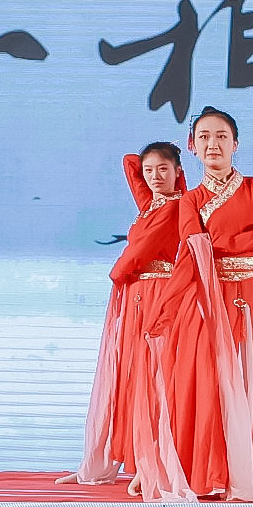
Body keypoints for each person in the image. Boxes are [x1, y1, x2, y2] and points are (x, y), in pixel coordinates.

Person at [134, 107, 253, 503]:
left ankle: (248, 472)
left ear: (236, 143)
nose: (212, 144)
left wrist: (230, 244)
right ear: (192, 147)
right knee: (209, 384)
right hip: (208, 300)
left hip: (252, 298)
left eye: (221, 136)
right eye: (203, 137)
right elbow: (192, 252)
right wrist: (166, 310)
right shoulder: (190, 201)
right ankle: (210, 474)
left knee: (251, 378)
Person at [78, 142, 186, 488]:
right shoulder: (151, 205)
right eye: (149, 170)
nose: (154, 176)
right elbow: (129, 163)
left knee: (155, 377)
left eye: (163, 169)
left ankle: (153, 460)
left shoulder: (175, 207)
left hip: (157, 293)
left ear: (178, 172)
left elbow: (139, 251)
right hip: (138, 295)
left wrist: (117, 274)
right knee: (133, 374)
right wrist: (155, 164)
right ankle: (139, 457)